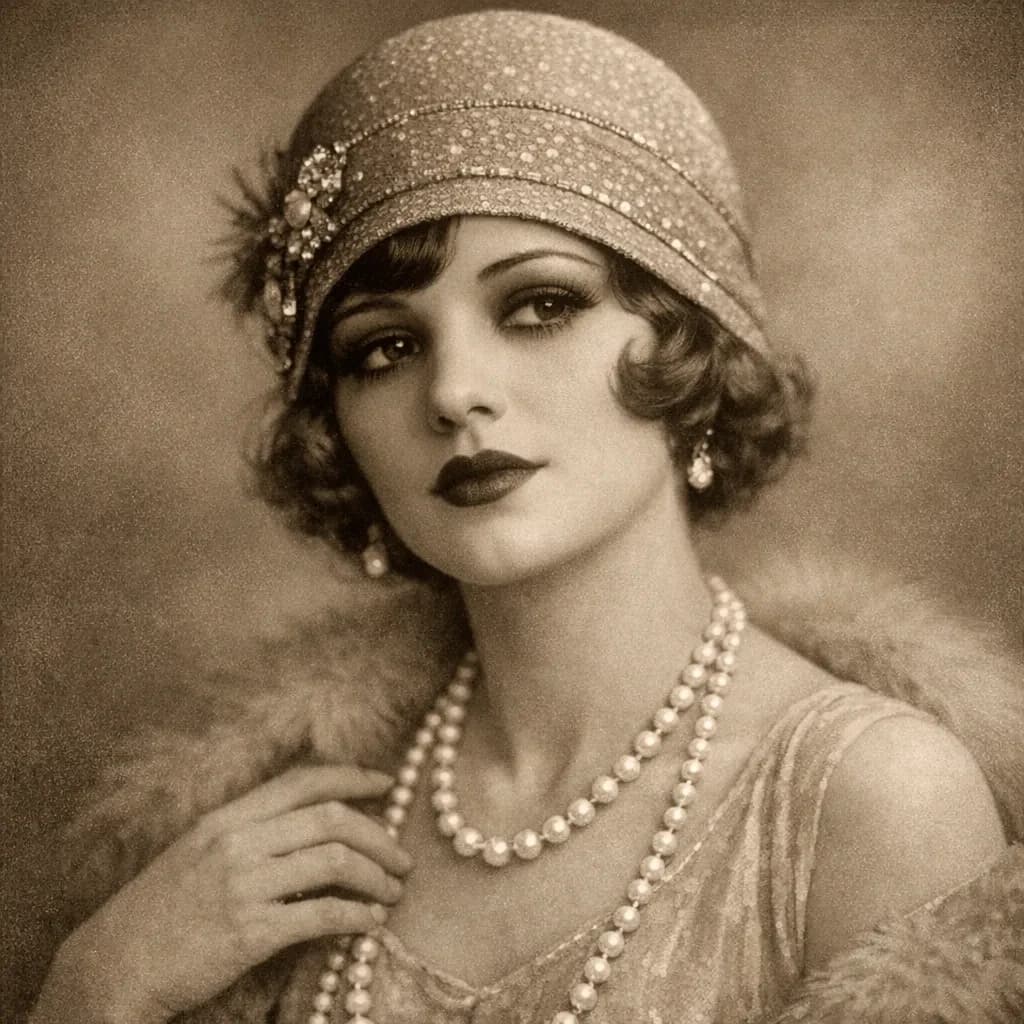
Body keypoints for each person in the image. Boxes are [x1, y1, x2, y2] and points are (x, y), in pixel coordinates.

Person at [29, 10, 1024, 1024]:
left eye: (540, 305)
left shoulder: (874, 802)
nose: (455, 392)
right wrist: (95, 989)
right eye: (382, 348)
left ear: (687, 347)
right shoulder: (287, 815)